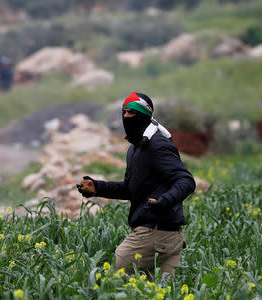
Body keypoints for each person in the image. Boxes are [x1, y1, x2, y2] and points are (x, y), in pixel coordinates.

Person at [77, 91, 195, 281]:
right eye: (124, 112)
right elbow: (130, 189)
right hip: (164, 236)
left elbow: (186, 181)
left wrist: (164, 201)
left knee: (118, 279)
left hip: (155, 233)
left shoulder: (156, 145)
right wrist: (98, 188)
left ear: (144, 115)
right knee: (152, 292)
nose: (126, 117)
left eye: (131, 113)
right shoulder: (136, 148)